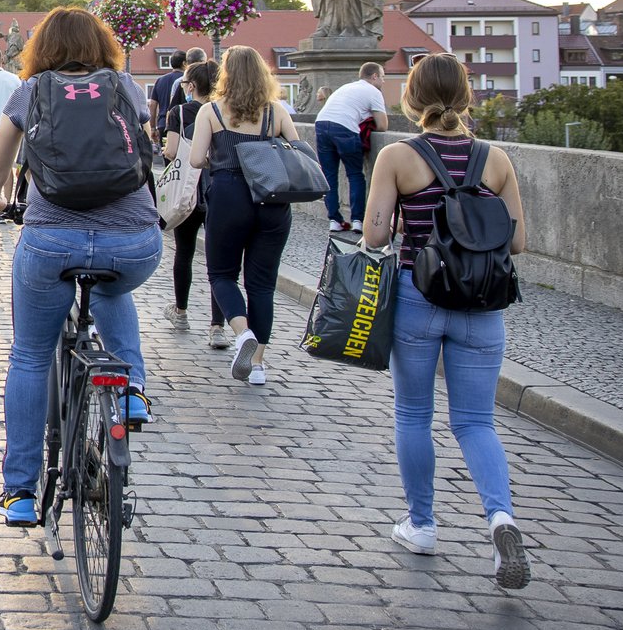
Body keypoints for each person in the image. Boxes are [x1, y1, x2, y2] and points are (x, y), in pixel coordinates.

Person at [0, 7, 161, 526]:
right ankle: (133, 392)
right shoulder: (125, 86)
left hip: (52, 240)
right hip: (136, 242)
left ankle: (20, 494)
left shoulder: (31, 91)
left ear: (42, 50)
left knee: (31, 357)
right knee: (112, 285)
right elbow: (145, 151)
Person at [358, 52, 529, 589]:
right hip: (482, 306)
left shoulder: (400, 158)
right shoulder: (495, 159)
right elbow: (518, 241)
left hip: (419, 297)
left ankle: (423, 524)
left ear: (410, 99)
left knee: (413, 412)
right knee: (477, 422)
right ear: (467, 96)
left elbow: (375, 235)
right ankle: (501, 519)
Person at [185, 45, 298, 387]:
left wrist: (222, 161)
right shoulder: (275, 112)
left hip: (229, 195)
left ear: (227, 75)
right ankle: (259, 365)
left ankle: (241, 331)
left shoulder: (211, 112)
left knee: (221, 274)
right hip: (271, 199)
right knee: (262, 284)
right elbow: (297, 152)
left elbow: (195, 159)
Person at [160, 59, 224, 339]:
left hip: (188, 191)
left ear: (193, 86)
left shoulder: (180, 113)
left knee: (184, 253)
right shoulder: (224, 111)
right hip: (218, 191)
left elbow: (172, 151)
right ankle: (217, 326)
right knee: (219, 261)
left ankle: (182, 312)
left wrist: (167, 150)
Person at [315, 62, 389, 232]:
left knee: (329, 176)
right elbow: (383, 125)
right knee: (355, 174)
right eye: (383, 77)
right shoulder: (373, 92)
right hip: (344, 128)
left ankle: (334, 221)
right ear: (374, 76)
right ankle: (357, 220)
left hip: (321, 124)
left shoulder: (346, 87)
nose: (383, 81)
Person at [149, 51, 186, 141]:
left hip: (163, 123)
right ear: (184, 63)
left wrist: (153, 127)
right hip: (182, 123)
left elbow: (152, 105)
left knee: (166, 153)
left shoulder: (160, 80)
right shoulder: (186, 80)